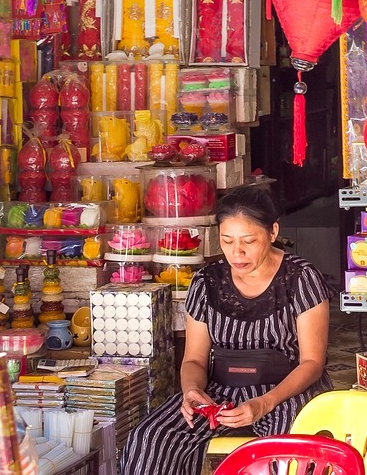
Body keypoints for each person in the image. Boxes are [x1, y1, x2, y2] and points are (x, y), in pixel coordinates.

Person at [121, 188, 333, 475]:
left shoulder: (301, 278)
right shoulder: (206, 282)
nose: (237, 252)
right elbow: (194, 360)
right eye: (227, 240)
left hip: (286, 390)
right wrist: (193, 391)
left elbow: (312, 363)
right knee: (149, 439)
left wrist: (264, 403)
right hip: (220, 392)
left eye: (249, 241)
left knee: (281, 452)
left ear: (272, 232)